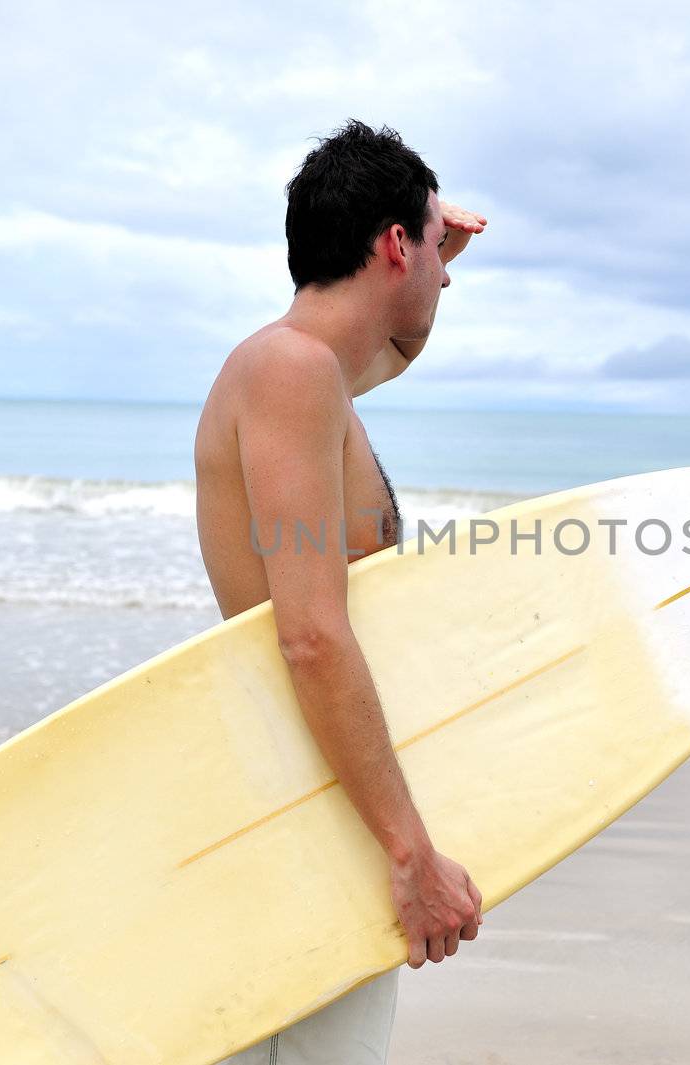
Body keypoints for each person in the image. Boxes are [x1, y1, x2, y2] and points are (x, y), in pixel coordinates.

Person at [193, 119, 488, 1065]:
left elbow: (393, 349)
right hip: (299, 799)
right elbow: (311, 634)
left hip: (320, 786)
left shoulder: (317, 376)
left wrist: (443, 246)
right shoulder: (290, 370)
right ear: (392, 243)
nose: (443, 275)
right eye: (429, 246)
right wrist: (412, 854)